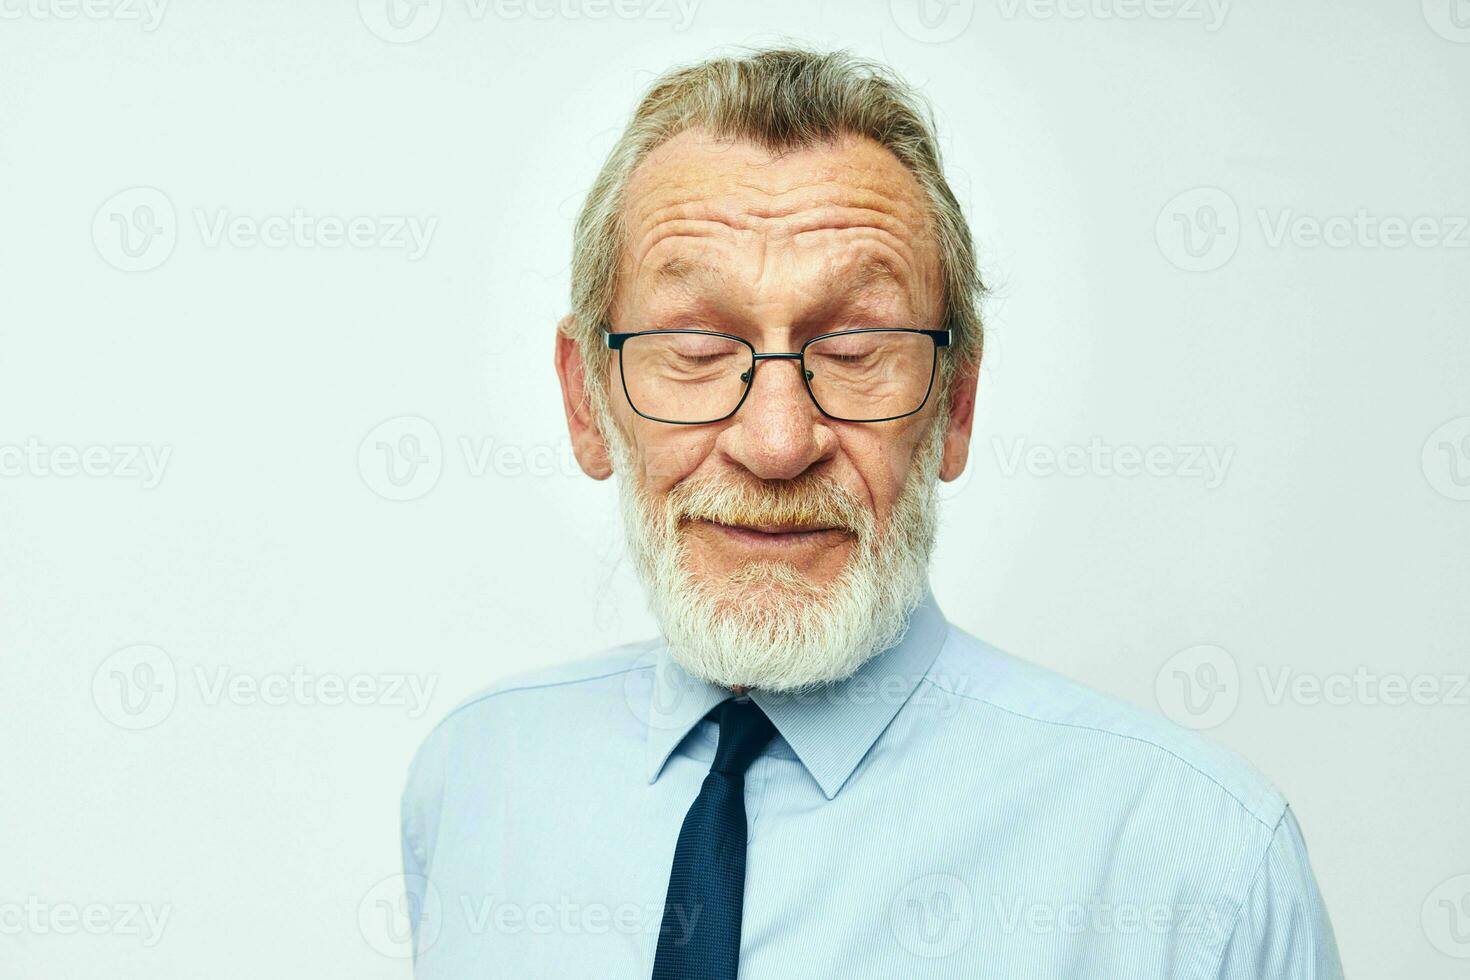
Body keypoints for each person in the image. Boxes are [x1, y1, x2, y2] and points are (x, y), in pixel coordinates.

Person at [400, 46, 1343, 978]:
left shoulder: (1202, 869)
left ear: (956, 405)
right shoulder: (475, 784)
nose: (776, 443)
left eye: (855, 349)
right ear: (586, 404)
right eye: (694, 346)